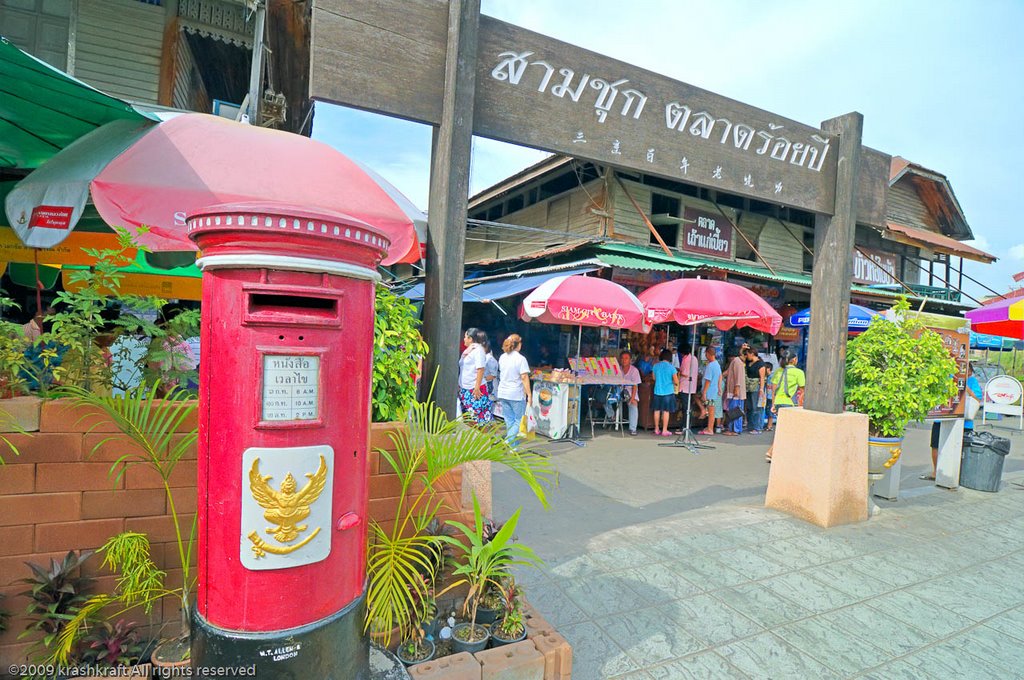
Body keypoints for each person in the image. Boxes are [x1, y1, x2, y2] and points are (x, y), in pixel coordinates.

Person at [923, 368, 983, 480]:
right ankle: (936, 471)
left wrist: (965, 388)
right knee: (936, 445)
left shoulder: (972, 381)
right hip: (942, 419)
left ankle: (958, 473)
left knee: (961, 448)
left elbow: (977, 399)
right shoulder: (946, 377)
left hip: (964, 422)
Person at [765, 350, 805, 462]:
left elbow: (773, 390)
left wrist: (773, 404)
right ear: (794, 360)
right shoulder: (799, 373)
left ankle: (776, 452)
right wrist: (801, 406)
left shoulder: (778, 371)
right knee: (787, 429)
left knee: (784, 428)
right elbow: (802, 391)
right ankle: (771, 452)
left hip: (778, 402)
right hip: (789, 403)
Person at [496, 334, 532, 444]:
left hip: (502, 392)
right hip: (516, 394)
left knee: (509, 420)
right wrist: (529, 395)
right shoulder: (521, 359)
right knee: (518, 421)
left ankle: (513, 447)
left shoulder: (502, 357)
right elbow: (524, 377)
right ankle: (507, 441)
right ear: (518, 345)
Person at [458, 328, 493, 425]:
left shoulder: (478, 350)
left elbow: (480, 369)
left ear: (470, 338)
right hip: (465, 388)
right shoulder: (469, 350)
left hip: (474, 389)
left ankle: (487, 437)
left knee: (480, 419)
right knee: (468, 419)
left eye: (465, 337)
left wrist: (477, 387)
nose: (463, 339)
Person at [605, 350, 642, 436]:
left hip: (629, 392)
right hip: (618, 390)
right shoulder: (617, 369)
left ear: (630, 360)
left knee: (633, 404)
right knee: (605, 398)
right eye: (622, 358)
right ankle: (612, 416)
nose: (624, 360)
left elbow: (635, 386)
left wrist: (632, 398)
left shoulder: (634, 371)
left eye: (626, 358)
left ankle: (633, 428)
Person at [651, 349, 678, 436]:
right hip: (668, 392)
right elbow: (676, 381)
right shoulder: (672, 368)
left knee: (657, 410)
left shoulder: (655, 366)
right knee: (666, 411)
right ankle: (664, 430)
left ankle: (656, 429)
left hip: (657, 391)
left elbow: (654, 378)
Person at [676, 345, 700, 433]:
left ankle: (684, 427)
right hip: (692, 386)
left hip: (685, 386)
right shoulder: (695, 358)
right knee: (689, 407)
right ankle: (688, 426)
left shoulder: (686, 360)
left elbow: (685, 373)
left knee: (685, 408)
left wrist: (678, 372)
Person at [699, 346, 722, 435]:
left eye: (706, 354)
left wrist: (704, 392)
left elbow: (708, 380)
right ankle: (709, 427)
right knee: (711, 410)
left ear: (708, 354)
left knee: (711, 411)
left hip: (710, 391)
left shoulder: (710, 365)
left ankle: (710, 429)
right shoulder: (717, 364)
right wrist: (719, 388)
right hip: (714, 390)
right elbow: (720, 377)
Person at [744, 348, 768, 434]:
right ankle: (751, 426)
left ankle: (757, 427)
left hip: (757, 387)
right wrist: (743, 349)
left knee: (757, 407)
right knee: (749, 407)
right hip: (749, 386)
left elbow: (762, 378)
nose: (747, 356)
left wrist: (761, 389)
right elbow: (741, 357)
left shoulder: (761, 364)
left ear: (752, 354)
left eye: (748, 354)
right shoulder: (748, 362)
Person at [724, 348, 746, 436]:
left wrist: (736, 388)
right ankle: (735, 429)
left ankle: (734, 430)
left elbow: (738, 376)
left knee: (735, 410)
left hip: (736, 392)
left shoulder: (736, 362)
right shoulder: (737, 362)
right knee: (736, 410)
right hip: (735, 391)